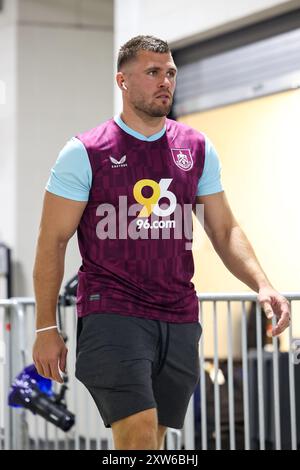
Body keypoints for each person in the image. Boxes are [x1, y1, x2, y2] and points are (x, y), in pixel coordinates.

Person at [32, 35, 290, 450]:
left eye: (170, 72)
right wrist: (47, 327)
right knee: (138, 434)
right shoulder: (84, 152)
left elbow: (224, 230)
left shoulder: (197, 147)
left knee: (155, 437)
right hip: (112, 309)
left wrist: (262, 283)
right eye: (152, 72)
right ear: (123, 81)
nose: (165, 81)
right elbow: (52, 241)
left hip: (178, 314)